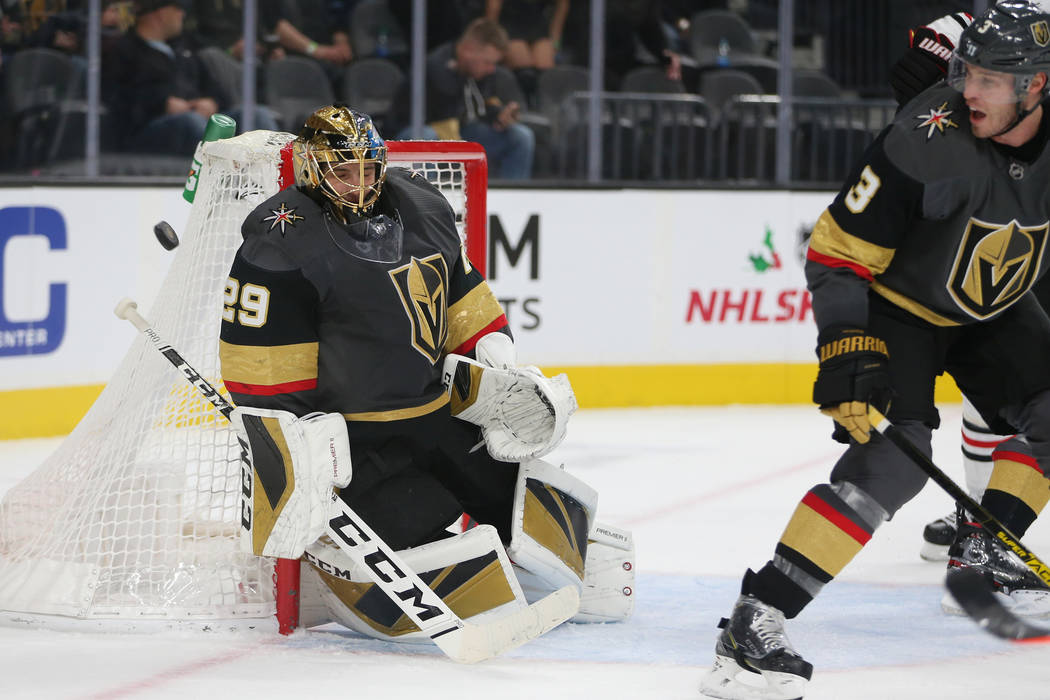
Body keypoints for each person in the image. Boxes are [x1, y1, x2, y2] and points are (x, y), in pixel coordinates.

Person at [699, 3, 1050, 698]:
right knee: (892, 461)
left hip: (994, 308)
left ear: (1038, 86)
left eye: (989, 80)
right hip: (900, 308)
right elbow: (834, 251)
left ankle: (984, 553)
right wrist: (845, 345)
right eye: (964, 72)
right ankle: (755, 620)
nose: (968, 91)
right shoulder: (929, 137)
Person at [217, 104, 634, 643]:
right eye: (343, 171)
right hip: (356, 441)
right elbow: (259, 365)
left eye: (367, 169)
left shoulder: (420, 203)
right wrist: (297, 436)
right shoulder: (281, 240)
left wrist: (491, 347)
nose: (359, 183)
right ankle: (335, 568)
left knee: (515, 494)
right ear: (312, 167)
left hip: (434, 414)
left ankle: (524, 565)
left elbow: (458, 288)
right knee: (417, 528)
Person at [889, 7, 1050, 566]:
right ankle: (982, 522)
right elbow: (921, 67)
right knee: (1006, 385)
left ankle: (986, 525)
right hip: (1014, 209)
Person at [105, 0, 278, 155]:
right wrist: (163, 103)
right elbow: (118, 100)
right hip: (149, 130)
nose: (183, 13)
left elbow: (217, 91)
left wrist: (211, 102)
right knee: (190, 121)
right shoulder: (124, 50)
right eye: (178, 7)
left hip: (197, 122)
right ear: (160, 12)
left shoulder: (184, 49)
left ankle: (280, 179)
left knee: (256, 114)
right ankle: (225, 177)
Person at [387, 18, 534, 180]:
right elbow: (448, 117)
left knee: (520, 136)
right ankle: (430, 201)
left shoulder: (478, 71)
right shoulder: (435, 67)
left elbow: (480, 107)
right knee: (426, 137)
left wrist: (499, 116)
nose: (491, 69)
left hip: (459, 131)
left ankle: (511, 198)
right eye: (487, 62)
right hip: (414, 135)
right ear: (468, 50)